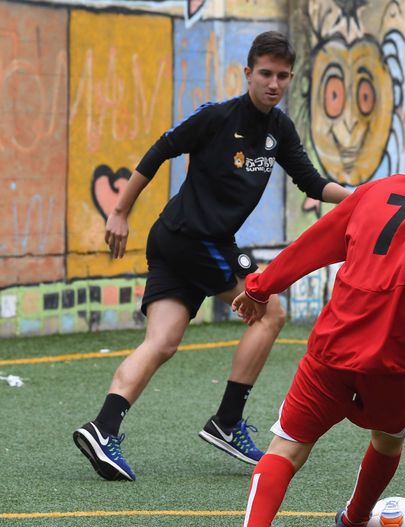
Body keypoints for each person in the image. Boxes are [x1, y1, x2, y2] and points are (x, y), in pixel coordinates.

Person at [73, 31, 351, 481]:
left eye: (282, 76)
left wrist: (362, 197)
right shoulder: (218, 117)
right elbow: (161, 149)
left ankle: (103, 429)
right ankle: (227, 421)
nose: (273, 84)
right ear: (248, 73)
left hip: (182, 240)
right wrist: (119, 211)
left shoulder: (279, 129)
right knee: (270, 313)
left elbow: (312, 183)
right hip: (194, 240)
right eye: (265, 74)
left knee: (161, 342)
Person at [223, 113, 405, 527]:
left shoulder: (370, 193)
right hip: (395, 361)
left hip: (332, 348)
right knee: (388, 439)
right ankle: (354, 519)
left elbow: (313, 245)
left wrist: (260, 286)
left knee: (287, 448)